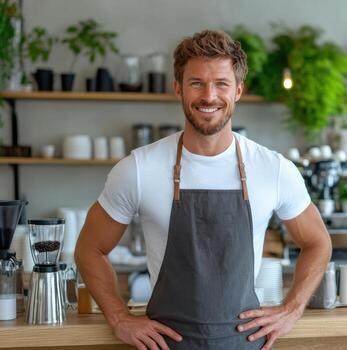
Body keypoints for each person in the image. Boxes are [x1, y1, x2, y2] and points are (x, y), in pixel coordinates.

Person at [75, 29, 332, 350]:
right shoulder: (138, 168)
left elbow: (318, 242)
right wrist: (118, 317)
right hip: (166, 344)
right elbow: (89, 249)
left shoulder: (273, 168)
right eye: (197, 83)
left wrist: (292, 309)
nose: (209, 96)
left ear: (238, 90)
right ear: (178, 89)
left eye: (221, 84)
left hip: (245, 343)